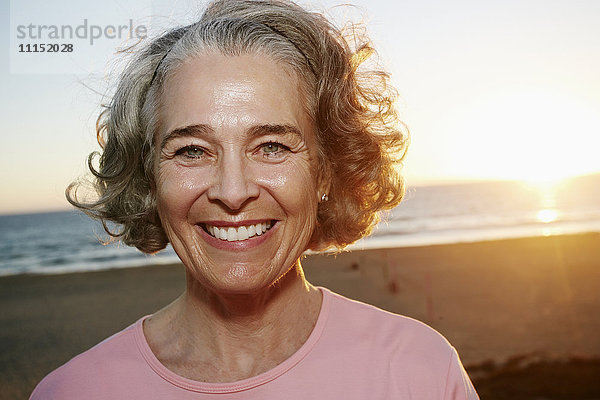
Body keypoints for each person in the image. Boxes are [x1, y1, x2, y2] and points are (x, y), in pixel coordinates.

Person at [31, 0, 478, 398]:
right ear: (149, 177)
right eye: (192, 150)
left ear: (326, 168)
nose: (232, 191)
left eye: (272, 147)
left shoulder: (419, 372)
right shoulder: (72, 391)